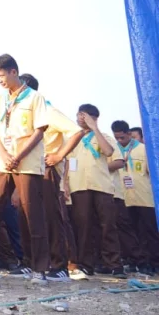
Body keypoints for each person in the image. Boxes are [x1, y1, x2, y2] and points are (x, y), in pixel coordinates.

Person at [0, 55, 51, 283]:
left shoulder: (34, 97)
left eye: (1, 75)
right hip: (1, 160)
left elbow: (39, 131)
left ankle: (38, 267)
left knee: (32, 214)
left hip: (27, 162)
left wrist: (18, 156)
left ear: (13, 71)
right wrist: (3, 153)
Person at [51, 104, 124, 277]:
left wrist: (94, 128)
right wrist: (66, 184)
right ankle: (86, 264)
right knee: (83, 227)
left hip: (102, 187)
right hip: (79, 187)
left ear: (94, 118)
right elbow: (68, 161)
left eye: (85, 116)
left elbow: (108, 151)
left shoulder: (104, 136)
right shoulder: (72, 139)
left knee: (107, 226)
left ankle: (114, 264)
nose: (80, 119)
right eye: (79, 115)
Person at [21, 74, 80, 281]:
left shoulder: (47, 110)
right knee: (33, 217)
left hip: (47, 169)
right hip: (29, 169)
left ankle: (60, 266)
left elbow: (76, 131)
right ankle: (36, 264)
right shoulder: (23, 112)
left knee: (52, 217)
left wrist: (59, 155)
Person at [112, 120, 158, 274]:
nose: (119, 141)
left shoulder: (144, 150)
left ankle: (153, 262)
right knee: (129, 232)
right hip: (124, 197)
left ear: (129, 134)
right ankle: (133, 260)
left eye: (122, 138)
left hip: (145, 197)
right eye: (116, 138)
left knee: (148, 231)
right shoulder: (113, 151)